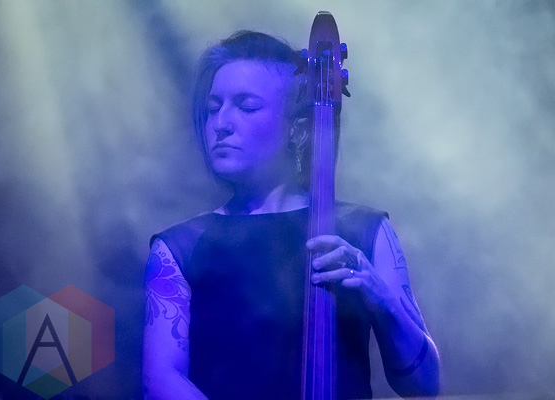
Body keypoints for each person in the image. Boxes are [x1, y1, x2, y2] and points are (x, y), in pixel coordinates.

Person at [142, 31, 440, 400]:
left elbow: (424, 385)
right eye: (214, 107)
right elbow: (161, 379)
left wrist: (380, 297)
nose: (221, 123)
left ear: (296, 130)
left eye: (247, 106)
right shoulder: (179, 247)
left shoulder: (365, 231)